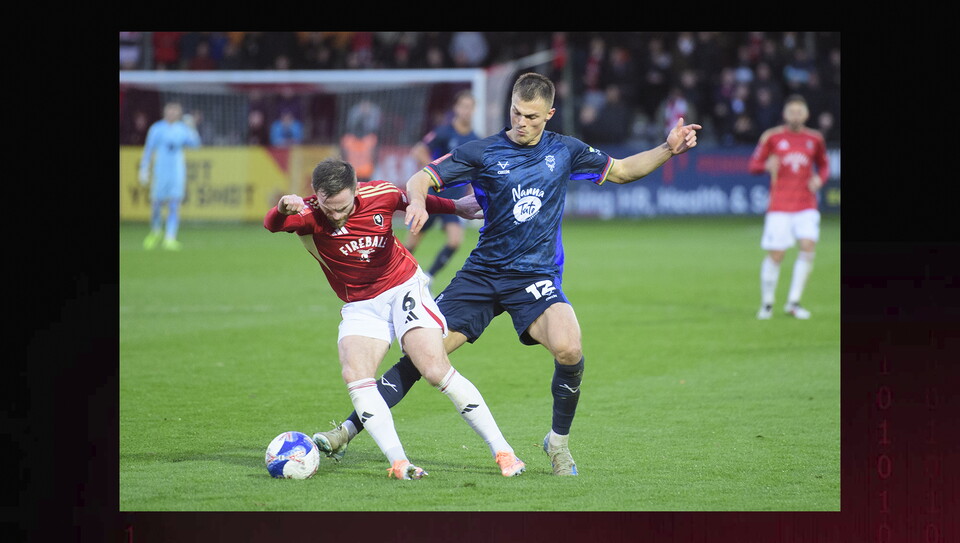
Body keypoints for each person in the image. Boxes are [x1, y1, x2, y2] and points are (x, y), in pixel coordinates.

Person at [312, 72, 701, 476]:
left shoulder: (565, 150)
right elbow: (422, 177)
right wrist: (420, 201)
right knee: (423, 354)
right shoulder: (483, 152)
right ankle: (347, 430)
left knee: (569, 347)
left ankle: (558, 443)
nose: (521, 122)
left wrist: (667, 149)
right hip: (482, 274)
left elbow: (621, 170)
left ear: (549, 114)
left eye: (532, 116)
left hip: (535, 276)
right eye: (516, 112)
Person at [263, 157, 526, 480]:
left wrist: (456, 207)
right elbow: (272, 224)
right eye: (328, 207)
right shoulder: (307, 215)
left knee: (433, 369)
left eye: (342, 207)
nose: (335, 215)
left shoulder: (381, 194)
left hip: (403, 287)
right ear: (316, 195)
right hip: (360, 304)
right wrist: (281, 209)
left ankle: (504, 452)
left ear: (356, 190)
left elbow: (411, 199)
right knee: (355, 375)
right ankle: (400, 463)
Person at [748, 94, 829, 320]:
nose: (795, 115)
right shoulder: (772, 137)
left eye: (799, 111)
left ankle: (794, 302)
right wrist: (766, 165)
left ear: (806, 114)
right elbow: (753, 165)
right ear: (785, 114)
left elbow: (823, 165)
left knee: (807, 246)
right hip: (780, 205)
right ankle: (767, 303)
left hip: (806, 204)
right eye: (791, 111)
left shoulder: (815, 139)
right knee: (776, 254)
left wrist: (820, 180)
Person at [404, 90, 480, 285]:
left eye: (470, 107)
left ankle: (427, 279)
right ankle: (391, 276)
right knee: (410, 244)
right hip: (431, 197)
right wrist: (437, 172)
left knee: (455, 241)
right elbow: (418, 150)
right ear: (456, 108)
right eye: (463, 106)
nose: (466, 111)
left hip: (454, 201)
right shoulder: (443, 132)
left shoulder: (476, 139)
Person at [139, 102, 201, 250]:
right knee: (156, 203)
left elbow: (196, 145)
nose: (172, 113)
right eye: (170, 111)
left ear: (178, 113)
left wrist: (192, 128)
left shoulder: (182, 129)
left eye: (175, 111)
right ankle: (155, 231)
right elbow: (148, 149)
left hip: (177, 171)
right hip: (161, 171)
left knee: (174, 204)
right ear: (165, 112)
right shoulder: (157, 128)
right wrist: (144, 169)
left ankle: (170, 237)